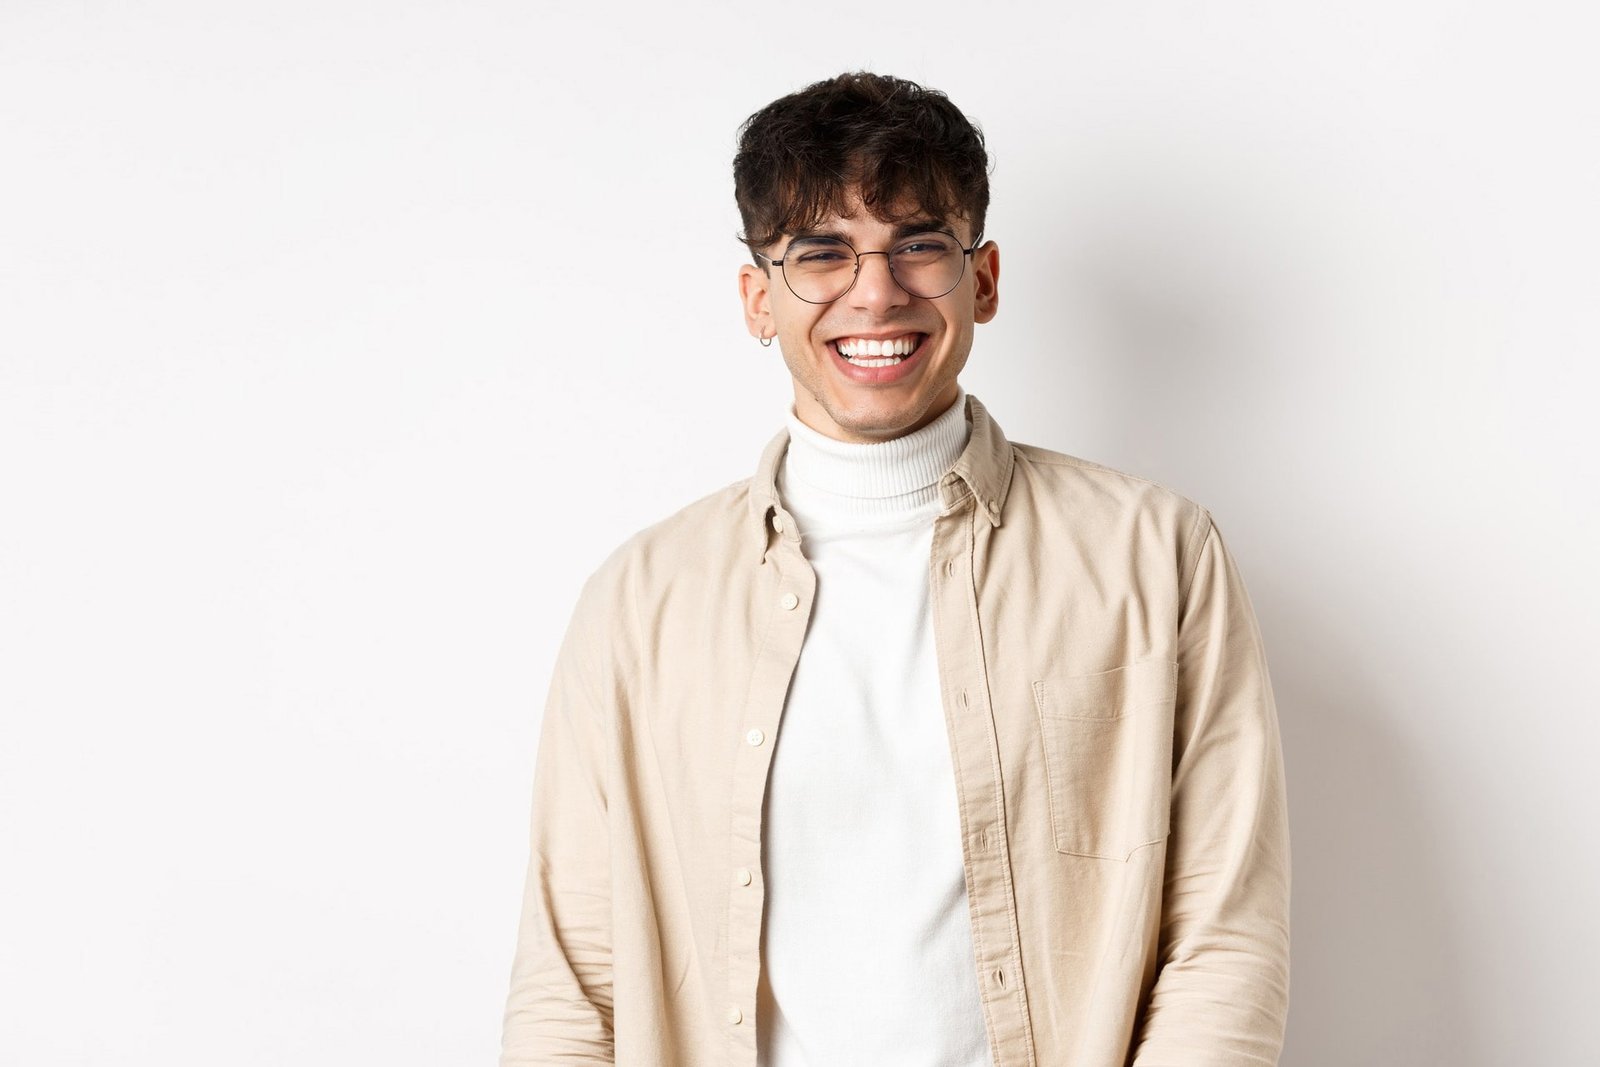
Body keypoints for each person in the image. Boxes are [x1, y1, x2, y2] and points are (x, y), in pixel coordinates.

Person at [499, 72, 1290, 1067]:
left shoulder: (1157, 555)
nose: (875, 292)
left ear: (983, 279)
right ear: (758, 298)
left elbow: (1224, 937)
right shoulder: (640, 599)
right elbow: (573, 981)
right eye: (820, 252)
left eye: (918, 244)